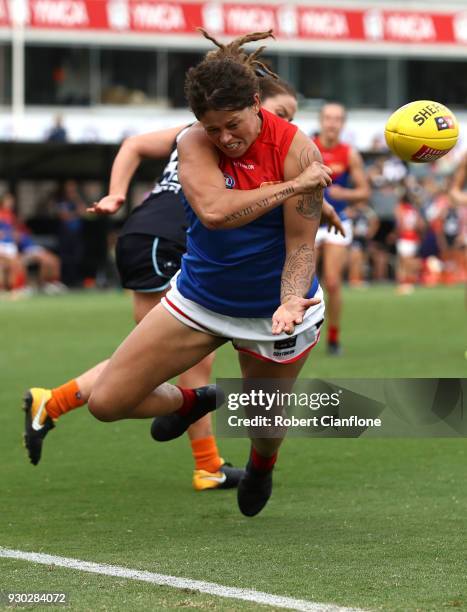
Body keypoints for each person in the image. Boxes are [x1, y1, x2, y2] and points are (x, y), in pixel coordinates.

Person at [23, 70, 340, 495]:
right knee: (107, 402)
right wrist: (292, 187)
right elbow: (214, 211)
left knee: (264, 425)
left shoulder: (299, 150)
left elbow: (301, 247)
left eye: (233, 125)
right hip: (200, 299)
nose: (225, 138)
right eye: (214, 128)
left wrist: (288, 300)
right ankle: (198, 401)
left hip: (274, 309)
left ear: (256, 102)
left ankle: (261, 467)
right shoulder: (193, 141)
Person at [312, 102, 370, 354]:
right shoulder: (307, 146)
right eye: (328, 118)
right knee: (303, 283)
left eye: (337, 119)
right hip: (309, 222)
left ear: (342, 123)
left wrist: (343, 193)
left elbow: (365, 191)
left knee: (333, 282)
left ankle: (333, 339)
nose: (332, 123)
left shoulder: (349, 153)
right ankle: (298, 336)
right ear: (321, 120)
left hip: (338, 221)